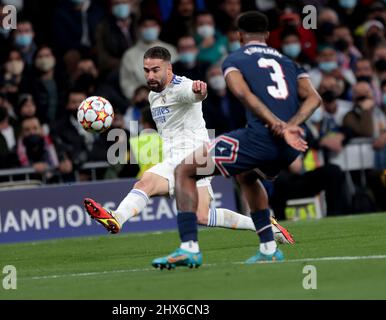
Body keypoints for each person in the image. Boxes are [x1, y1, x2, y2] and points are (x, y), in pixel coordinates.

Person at [83, 46, 294, 247]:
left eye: (156, 70)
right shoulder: (152, 95)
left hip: (190, 157)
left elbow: (195, 93)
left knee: (145, 183)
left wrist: (199, 90)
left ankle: (117, 218)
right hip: (195, 159)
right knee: (202, 215)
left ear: (169, 68)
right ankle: (266, 224)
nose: (150, 76)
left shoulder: (183, 86)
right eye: (146, 70)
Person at [157, 12, 321, 268]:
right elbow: (314, 98)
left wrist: (276, 124)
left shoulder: (235, 59)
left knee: (185, 170)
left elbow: (243, 94)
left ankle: (188, 248)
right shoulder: (289, 63)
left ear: (240, 35)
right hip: (290, 145)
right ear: (267, 35)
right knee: (246, 175)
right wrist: (291, 126)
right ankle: (268, 248)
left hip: (260, 138)